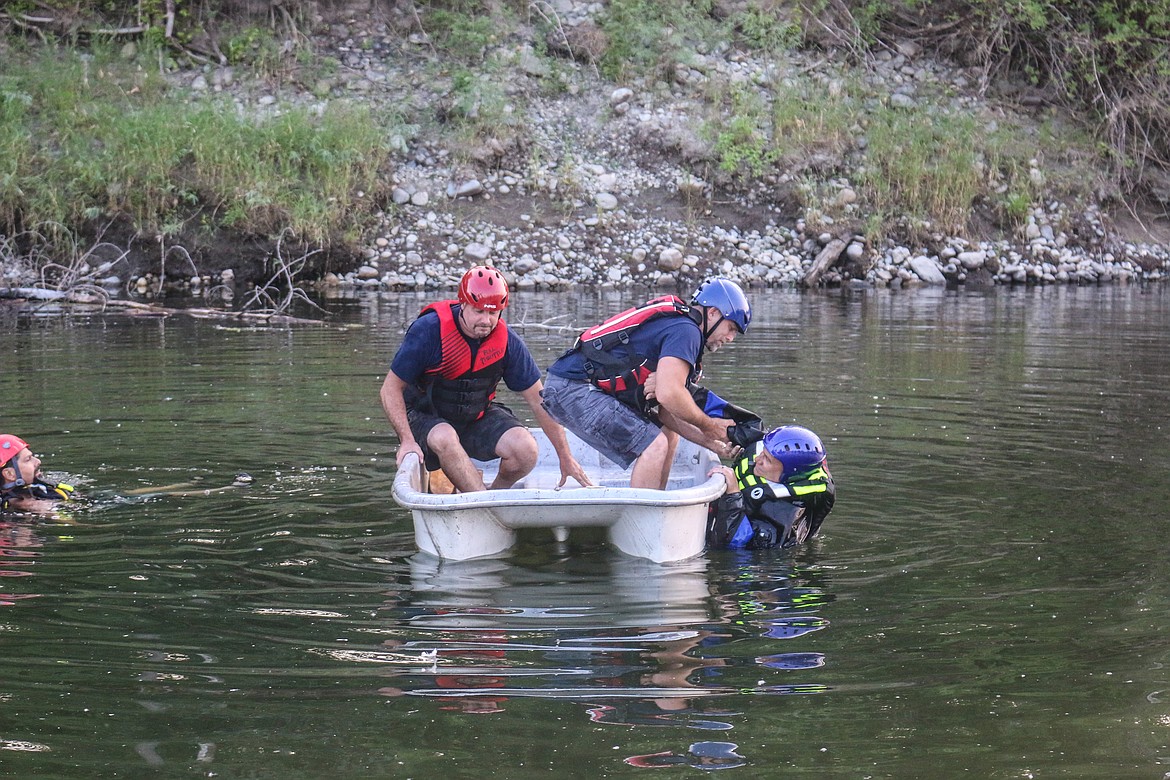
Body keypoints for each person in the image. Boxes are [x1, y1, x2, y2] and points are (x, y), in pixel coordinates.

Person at [380, 265, 591, 493]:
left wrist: (565, 457)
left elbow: (541, 401)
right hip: (425, 417)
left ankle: (492, 495)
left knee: (525, 449)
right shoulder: (429, 331)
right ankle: (482, 502)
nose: (486, 320)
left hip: (473, 417)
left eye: (492, 313)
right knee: (445, 436)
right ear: (463, 304)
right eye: (478, 311)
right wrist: (407, 441)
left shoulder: (507, 342)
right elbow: (390, 389)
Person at [541, 277, 751, 489]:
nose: (731, 337)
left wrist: (710, 442)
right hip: (572, 388)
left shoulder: (681, 328)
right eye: (731, 327)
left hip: (571, 386)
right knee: (655, 445)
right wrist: (712, 427)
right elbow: (670, 394)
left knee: (669, 435)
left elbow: (667, 410)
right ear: (713, 312)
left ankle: (657, 502)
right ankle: (644, 518)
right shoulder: (687, 332)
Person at [706, 425, 835, 550]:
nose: (757, 459)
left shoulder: (782, 513)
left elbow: (735, 544)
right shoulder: (767, 463)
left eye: (767, 460)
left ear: (788, 474)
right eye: (763, 452)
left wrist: (733, 495)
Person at [1, 434, 75, 513]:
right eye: (28, 459)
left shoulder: (34, 488)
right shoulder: (32, 505)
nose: (38, 461)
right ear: (9, 474)